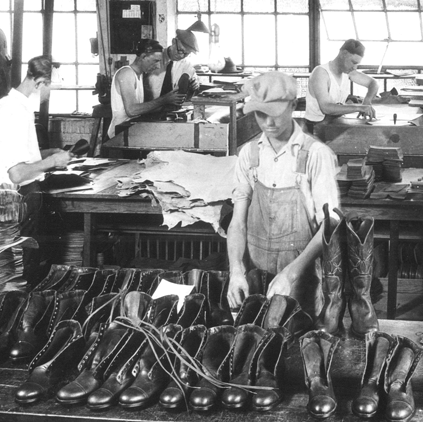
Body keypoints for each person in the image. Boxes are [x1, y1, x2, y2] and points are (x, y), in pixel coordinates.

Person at [227, 71, 340, 320]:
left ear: (294, 105)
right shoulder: (249, 154)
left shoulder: (315, 154)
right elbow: (238, 222)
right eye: (260, 114)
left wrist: (290, 275)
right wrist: (236, 269)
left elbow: (330, 225)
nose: (268, 123)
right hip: (255, 280)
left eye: (275, 114)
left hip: (301, 280)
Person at [0, 55, 73, 287]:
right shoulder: (15, 111)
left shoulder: (11, 105)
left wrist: (46, 154)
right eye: (50, 88)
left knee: (15, 274)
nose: (49, 95)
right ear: (39, 83)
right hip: (12, 200)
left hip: (14, 198)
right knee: (17, 277)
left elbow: (11, 156)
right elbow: (17, 174)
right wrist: (53, 162)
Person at [107, 39, 184, 138]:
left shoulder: (139, 75)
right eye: (155, 61)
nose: (157, 66)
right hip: (117, 135)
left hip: (130, 132)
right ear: (143, 56)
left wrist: (168, 105)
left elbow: (141, 109)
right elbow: (132, 111)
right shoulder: (126, 73)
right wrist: (164, 99)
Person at [304, 39, 379, 133]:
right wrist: (360, 107)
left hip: (335, 124)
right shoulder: (321, 73)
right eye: (353, 62)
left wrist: (367, 101)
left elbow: (374, 83)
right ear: (344, 54)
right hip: (316, 129)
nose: (355, 68)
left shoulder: (348, 72)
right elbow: (326, 108)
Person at [144, 29, 200, 101]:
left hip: (172, 108)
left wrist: (195, 84)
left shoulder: (186, 65)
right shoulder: (154, 57)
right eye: (180, 50)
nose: (181, 55)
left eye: (186, 54)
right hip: (151, 107)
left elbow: (195, 79)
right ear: (173, 41)